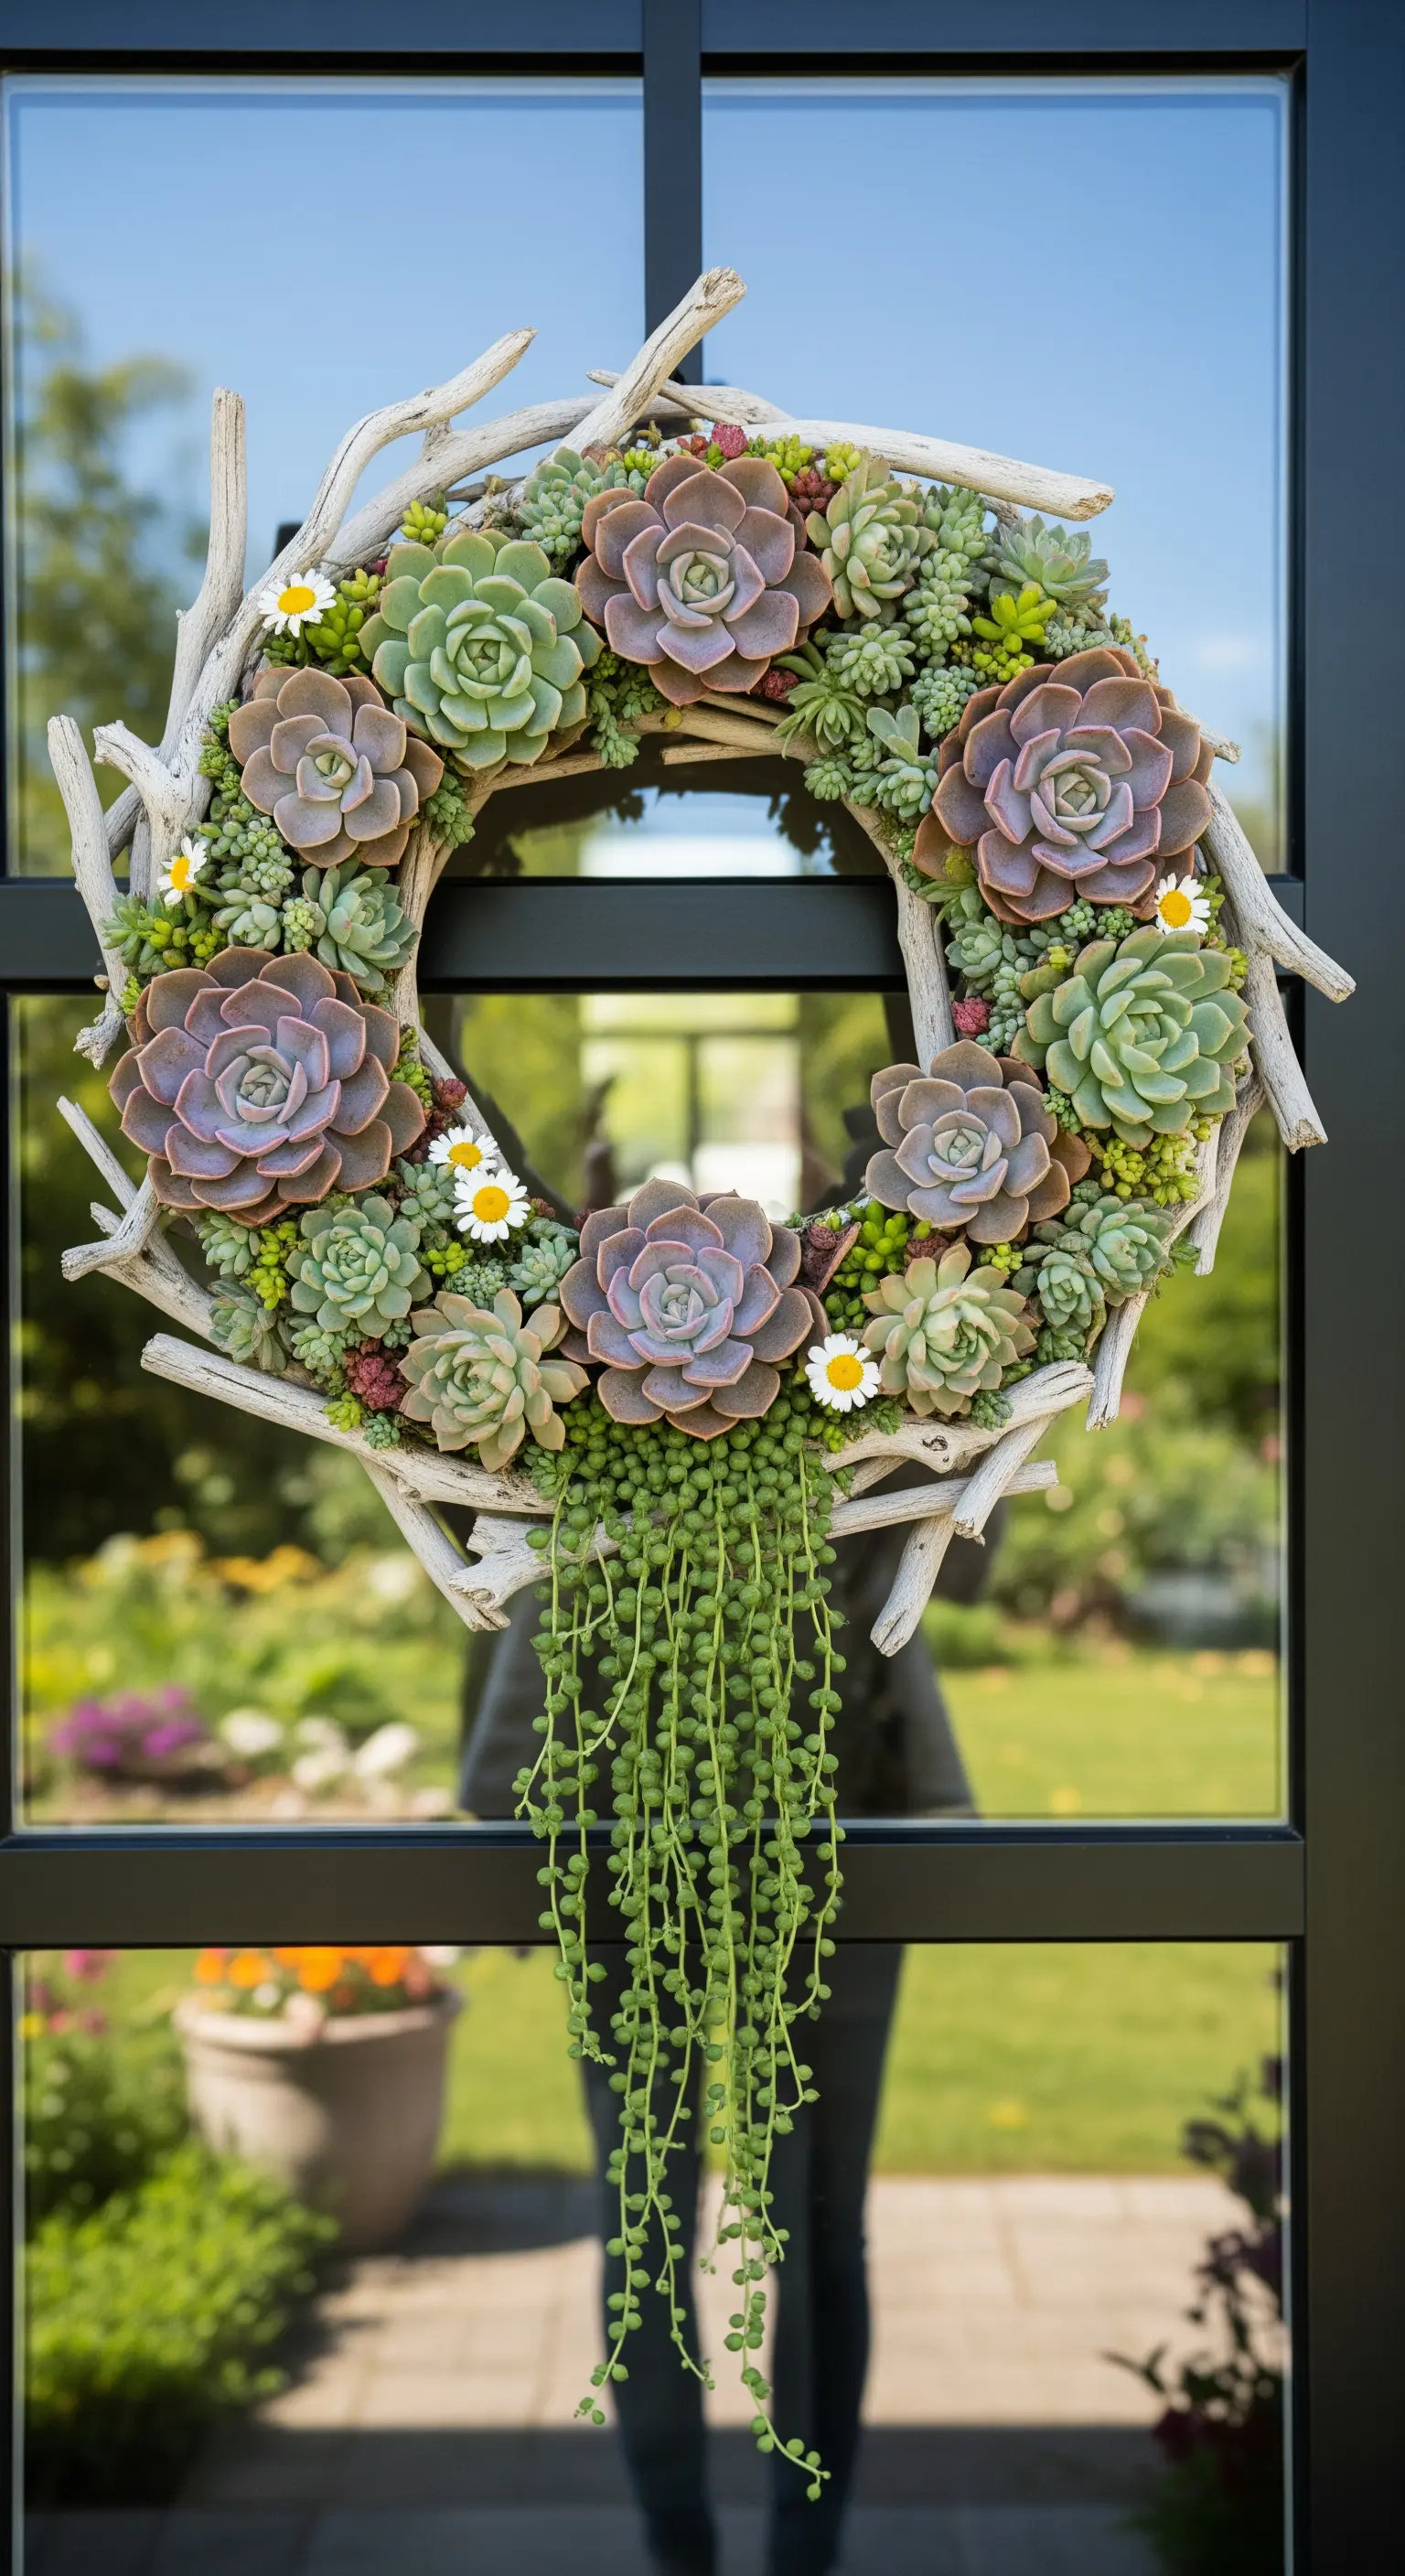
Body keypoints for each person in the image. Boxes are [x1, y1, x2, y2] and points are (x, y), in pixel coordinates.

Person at [460, 1507, 985, 2576]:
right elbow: (495, 1531)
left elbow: (964, 1557)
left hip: (843, 1791)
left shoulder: (861, 1363)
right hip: (614, 1798)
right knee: (642, 2200)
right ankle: (678, 2539)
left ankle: (805, 2543)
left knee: (823, 2217)